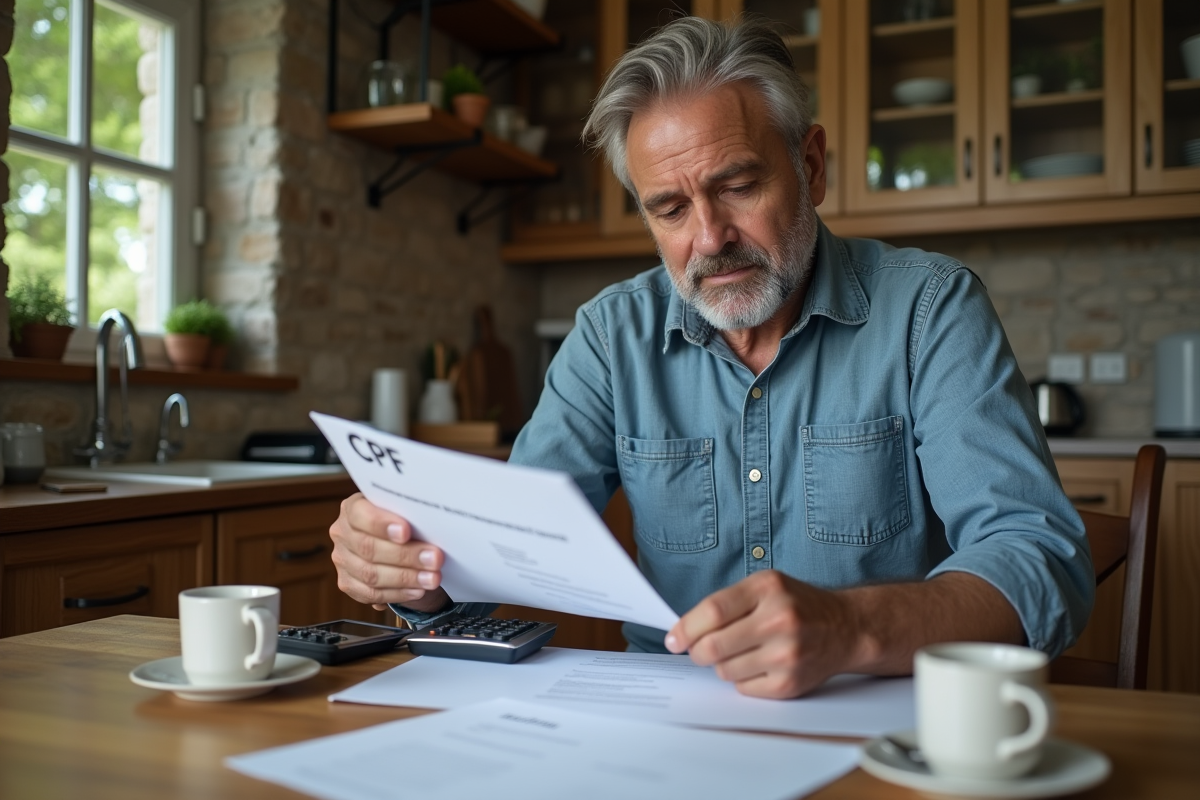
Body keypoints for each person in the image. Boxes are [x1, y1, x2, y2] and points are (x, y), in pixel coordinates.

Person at [329, 16, 1093, 699]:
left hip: (877, 715)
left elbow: (1040, 560)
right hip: (664, 724)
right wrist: (416, 575)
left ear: (812, 166)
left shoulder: (929, 310)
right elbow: (503, 549)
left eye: (739, 186)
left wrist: (850, 628)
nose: (709, 237)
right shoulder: (608, 337)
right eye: (670, 209)